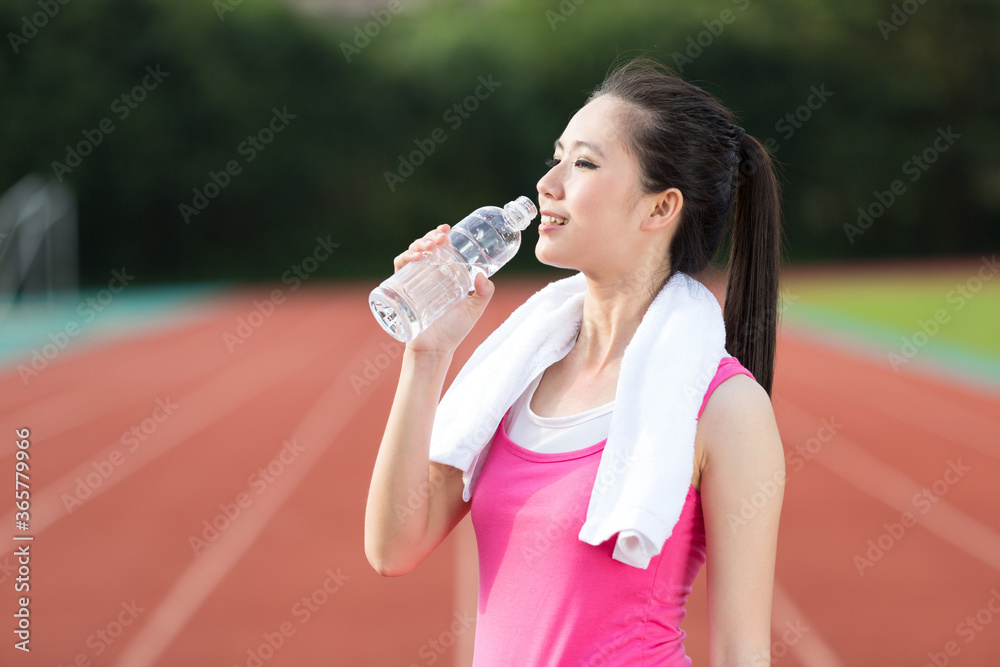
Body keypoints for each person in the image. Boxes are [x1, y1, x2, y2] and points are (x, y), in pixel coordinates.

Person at [365, 57, 786, 666]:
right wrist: (427, 355)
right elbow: (393, 548)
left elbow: (741, 650)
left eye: (584, 163)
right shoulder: (515, 375)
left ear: (660, 208)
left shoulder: (723, 407)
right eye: (556, 157)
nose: (549, 183)